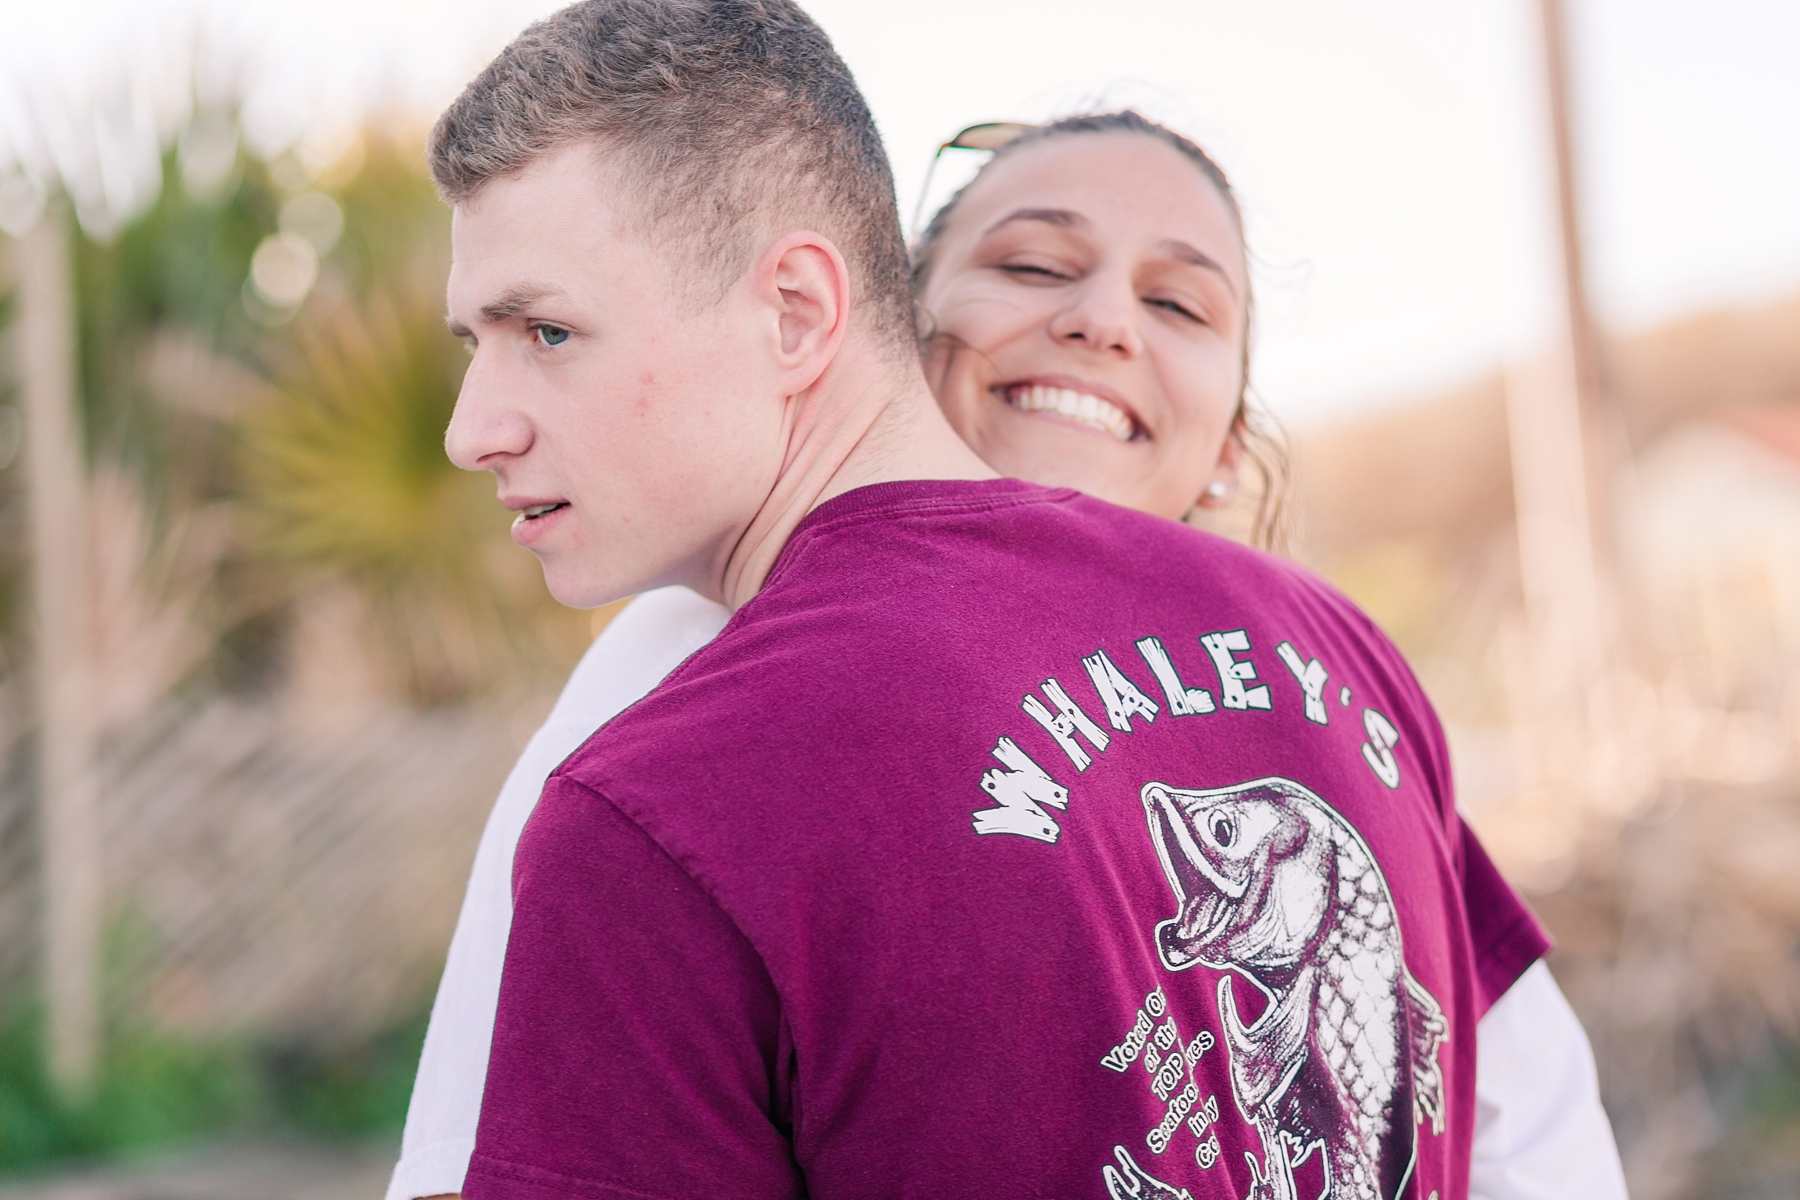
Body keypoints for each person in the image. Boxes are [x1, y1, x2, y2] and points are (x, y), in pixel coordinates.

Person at [392, 1, 1624, 1196]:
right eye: (1032, 264)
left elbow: (1528, 1123)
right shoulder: (1342, 656)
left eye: (547, 332)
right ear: (907, 315)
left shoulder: (655, 771)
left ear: (807, 314)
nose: (1094, 325)